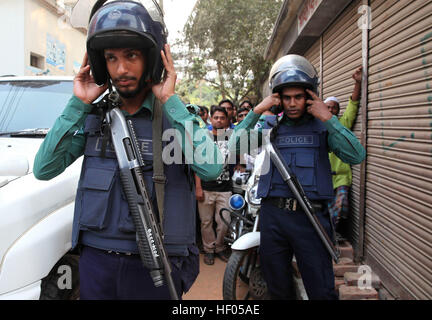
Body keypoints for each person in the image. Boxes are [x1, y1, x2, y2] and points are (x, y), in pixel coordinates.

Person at [33, 0, 222, 300]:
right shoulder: (94, 117)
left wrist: (171, 101)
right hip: (97, 264)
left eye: (131, 55)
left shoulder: (175, 116)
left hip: (157, 266)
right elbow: (44, 169)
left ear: (151, 58)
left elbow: (212, 167)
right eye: (111, 58)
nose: (121, 69)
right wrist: (78, 104)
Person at [229, 54, 366, 299]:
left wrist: (328, 118)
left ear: (309, 96)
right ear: (278, 99)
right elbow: (233, 149)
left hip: (310, 218)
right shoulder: (268, 126)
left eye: (299, 97)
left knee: (321, 290)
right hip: (274, 218)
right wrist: (257, 111)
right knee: (278, 289)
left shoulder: (324, 126)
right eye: (287, 97)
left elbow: (356, 155)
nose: (292, 103)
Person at [325, 67, 362, 240]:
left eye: (334, 108)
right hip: (323, 178)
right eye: (328, 107)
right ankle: (326, 234)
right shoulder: (317, 127)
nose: (331, 110)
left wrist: (357, 82)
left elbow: (353, 105)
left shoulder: (342, 125)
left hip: (341, 177)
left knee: (340, 206)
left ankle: (331, 233)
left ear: (338, 111)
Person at [195, 106, 233, 265]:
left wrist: (242, 165)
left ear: (227, 120)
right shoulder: (204, 138)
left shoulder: (231, 137)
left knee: (225, 221)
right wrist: (198, 187)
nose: (218, 120)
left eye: (222, 118)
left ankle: (220, 247)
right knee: (206, 222)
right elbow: (197, 163)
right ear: (211, 119)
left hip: (225, 188)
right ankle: (209, 249)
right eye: (216, 117)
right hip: (206, 187)